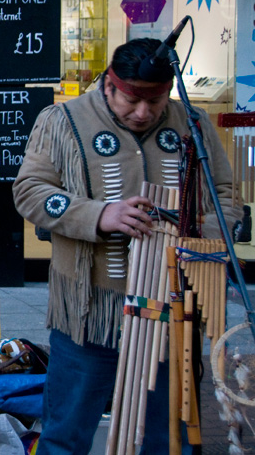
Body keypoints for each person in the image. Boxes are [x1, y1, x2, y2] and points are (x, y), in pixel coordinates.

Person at [12, 38, 240, 454]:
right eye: (132, 100)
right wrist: (99, 215)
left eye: (155, 101)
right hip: (89, 311)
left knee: (168, 436)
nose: (143, 112)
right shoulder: (63, 120)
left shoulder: (193, 123)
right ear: (110, 85)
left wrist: (197, 230)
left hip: (171, 307)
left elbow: (224, 193)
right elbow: (29, 191)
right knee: (66, 435)